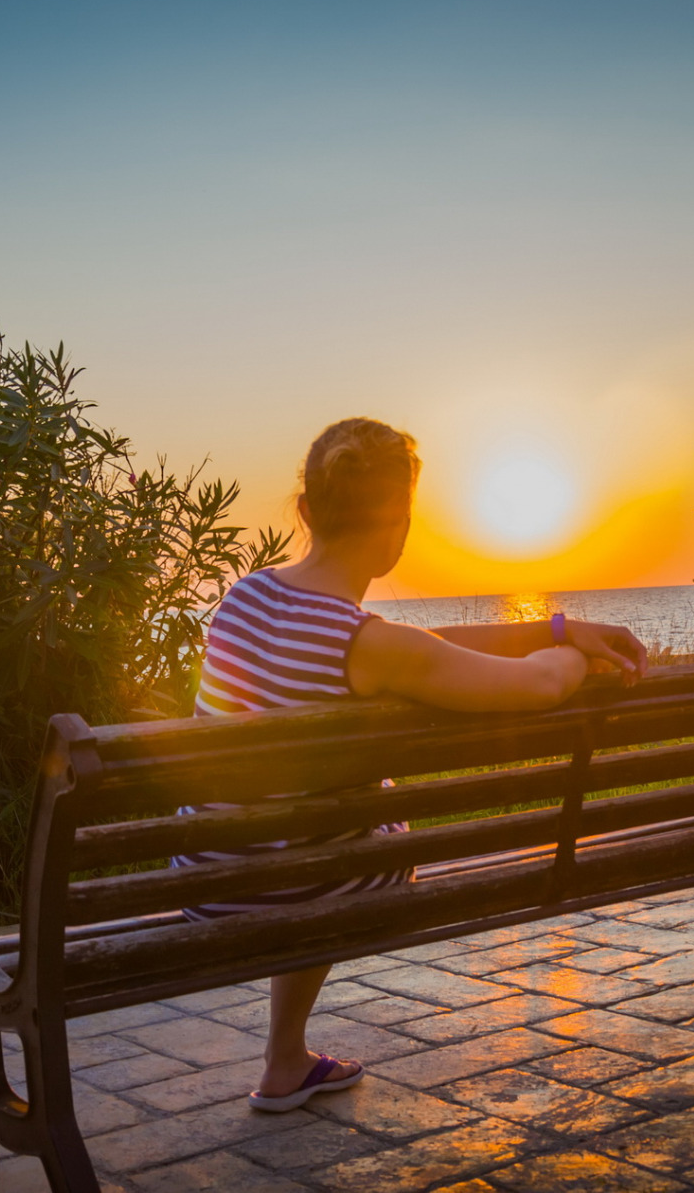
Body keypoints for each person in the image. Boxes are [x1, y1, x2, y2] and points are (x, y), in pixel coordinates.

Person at [173, 417, 650, 1112]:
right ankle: (282, 1055)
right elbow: (539, 687)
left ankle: (285, 1061)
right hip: (303, 885)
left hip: (210, 876)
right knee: (356, 835)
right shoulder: (369, 645)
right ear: (399, 528)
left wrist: (551, 627)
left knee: (309, 831)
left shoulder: (244, 599)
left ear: (306, 511)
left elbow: (414, 646)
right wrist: (576, 656)